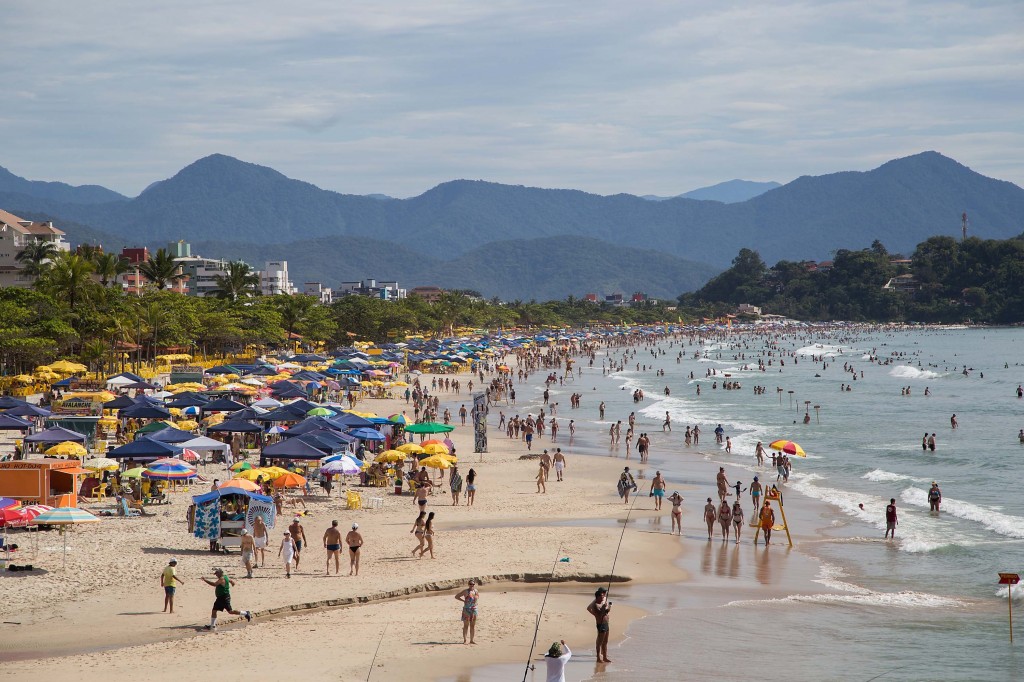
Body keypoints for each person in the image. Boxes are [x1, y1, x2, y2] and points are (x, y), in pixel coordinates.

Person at [587, 587, 612, 663]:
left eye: (603, 596)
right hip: (601, 624)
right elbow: (600, 615)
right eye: (601, 596)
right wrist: (604, 608)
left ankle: (605, 657)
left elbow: (606, 612)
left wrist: (609, 606)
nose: (603, 597)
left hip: (606, 624)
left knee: (605, 642)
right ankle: (598, 657)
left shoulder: (602, 602)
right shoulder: (595, 605)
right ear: (597, 597)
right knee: (600, 642)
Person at [455, 579, 479, 644]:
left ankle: (471, 640)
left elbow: (476, 599)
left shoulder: (476, 591)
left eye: (473, 584)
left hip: (474, 610)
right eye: (470, 584)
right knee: (466, 625)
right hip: (466, 610)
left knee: (472, 626)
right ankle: (465, 640)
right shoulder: (465, 591)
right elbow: (456, 596)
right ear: (468, 584)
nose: (472, 585)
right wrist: (463, 601)